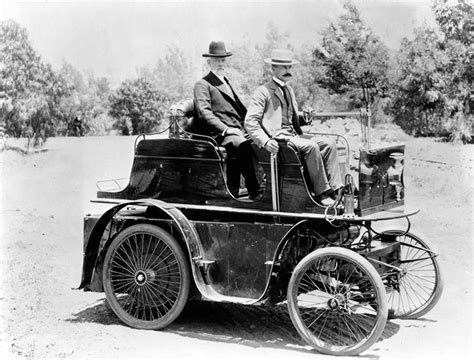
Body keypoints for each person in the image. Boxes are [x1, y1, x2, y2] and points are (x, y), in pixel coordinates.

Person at [245, 49, 342, 206]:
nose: (287, 71)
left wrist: (305, 117)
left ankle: (336, 190)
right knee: (311, 147)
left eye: (289, 67)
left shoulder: (289, 90)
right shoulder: (262, 92)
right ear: (273, 68)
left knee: (329, 143)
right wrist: (264, 141)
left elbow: (290, 118)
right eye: (283, 67)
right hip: (278, 139)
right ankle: (322, 194)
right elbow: (250, 121)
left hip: (292, 135)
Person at [193, 40, 261, 200]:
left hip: (238, 130)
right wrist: (226, 129)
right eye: (217, 60)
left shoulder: (227, 82)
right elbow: (204, 113)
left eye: (223, 60)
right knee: (241, 143)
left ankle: (269, 187)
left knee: (265, 140)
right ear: (209, 62)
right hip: (218, 135)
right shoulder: (202, 84)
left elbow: (240, 109)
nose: (221, 63)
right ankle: (254, 192)